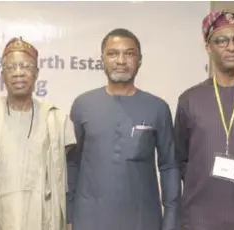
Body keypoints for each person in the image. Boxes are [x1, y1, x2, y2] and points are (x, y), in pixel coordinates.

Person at [67, 28, 181, 230]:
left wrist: (171, 220)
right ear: (102, 59)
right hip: (90, 220)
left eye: (129, 53)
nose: (121, 60)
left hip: (142, 220)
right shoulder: (83, 105)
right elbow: (72, 164)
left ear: (140, 60)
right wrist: (68, 215)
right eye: (113, 53)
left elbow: (169, 166)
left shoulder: (157, 108)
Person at [0, 37, 76, 230]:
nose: (18, 73)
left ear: (37, 73)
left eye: (26, 66)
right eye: (11, 67)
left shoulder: (55, 119)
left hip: (41, 218)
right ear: (2, 74)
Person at [174, 10, 234, 230]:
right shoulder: (189, 99)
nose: (232, 47)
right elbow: (180, 159)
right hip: (200, 219)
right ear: (209, 47)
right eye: (222, 41)